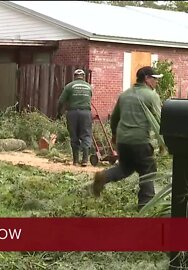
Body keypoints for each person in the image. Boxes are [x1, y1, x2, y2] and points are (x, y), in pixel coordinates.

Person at [91, 66, 163, 210]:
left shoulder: (125, 95)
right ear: (147, 79)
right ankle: (145, 205)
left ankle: (104, 176)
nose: (156, 82)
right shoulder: (151, 95)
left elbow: (115, 118)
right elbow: (160, 119)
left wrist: (114, 136)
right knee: (148, 171)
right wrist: (163, 142)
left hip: (123, 140)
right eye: (155, 79)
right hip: (141, 140)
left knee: (125, 168)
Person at [57, 69, 93, 167]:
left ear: (74, 76)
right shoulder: (89, 86)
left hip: (72, 113)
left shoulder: (69, 86)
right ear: (83, 76)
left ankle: (76, 161)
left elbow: (61, 101)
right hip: (86, 113)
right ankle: (85, 160)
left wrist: (59, 113)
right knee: (86, 135)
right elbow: (90, 98)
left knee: (74, 136)